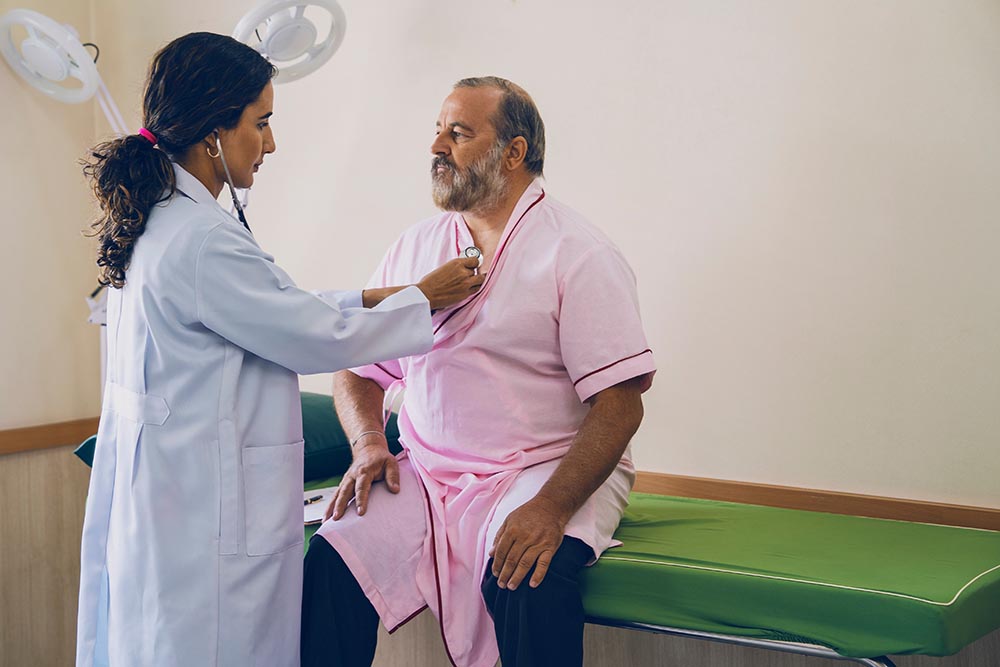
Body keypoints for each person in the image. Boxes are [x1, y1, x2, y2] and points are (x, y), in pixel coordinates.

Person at [75, 33, 482, 667]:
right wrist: (422, 300)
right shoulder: (202, 241)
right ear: (215, 130)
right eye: (260, 123)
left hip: (168, 506)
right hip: (206, 523)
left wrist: (389, 295)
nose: (270, 144)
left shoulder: (161, 220)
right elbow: (312, 335)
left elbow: (274, 308)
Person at [301, 76, 656, 667]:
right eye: (437, 132)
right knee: (332, 560)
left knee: (527, 577)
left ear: (513, 152)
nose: (438, 146)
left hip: (544, 465)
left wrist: (550, 507)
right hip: (431, 469)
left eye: (459, 133)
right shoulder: (415, 247)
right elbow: (359, 370)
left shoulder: (578, 252)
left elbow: (621, 403)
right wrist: (367, 446)